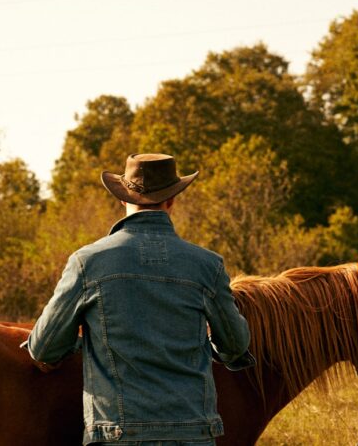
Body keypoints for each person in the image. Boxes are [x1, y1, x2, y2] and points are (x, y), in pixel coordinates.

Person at [24, 153, 254, 446]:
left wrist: (89, 344)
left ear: (122, 199)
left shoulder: (87, 262)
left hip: (118, 435)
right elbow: (236, 345)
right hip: (193, 433)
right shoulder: (208, 266)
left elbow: (44, 347)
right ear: (172, 200)